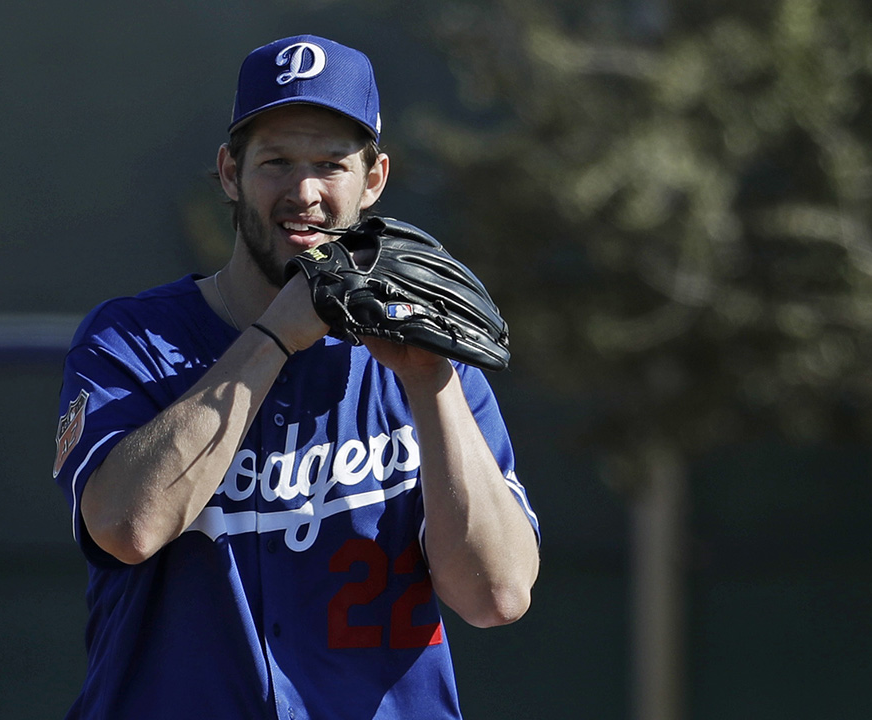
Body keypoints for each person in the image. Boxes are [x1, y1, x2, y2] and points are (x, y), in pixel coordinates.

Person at [51, 34, 540, 720]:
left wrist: (431, 381)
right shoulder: (132, 338)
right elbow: (125, 527)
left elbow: (497, 595)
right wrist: (278, 334)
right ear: (229, 173)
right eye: (276, 161)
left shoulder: (433, 360)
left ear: (373, 180)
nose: (303, 192)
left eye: (332, 164)